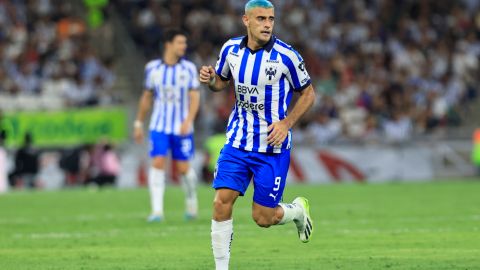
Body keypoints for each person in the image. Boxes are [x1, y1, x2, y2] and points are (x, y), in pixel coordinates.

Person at [199, 1, 316, 269]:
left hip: (271, 148)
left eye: (271, 19)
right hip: (238, 141)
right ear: (246, 21)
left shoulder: (287, 56)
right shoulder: (230, 49)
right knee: (220, 203)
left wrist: (286, 123)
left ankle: (297, 211)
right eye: (261, 18)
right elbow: (220, 82)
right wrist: (210, 80)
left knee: (263, 218)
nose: (267, 24)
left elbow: (309, 93)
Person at [134, 29, 200, 222]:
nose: (183, 47)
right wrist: (138, 123)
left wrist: (188, 121)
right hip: (159, 125)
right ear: (168, 44)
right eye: (180, 43)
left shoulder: (188, 68)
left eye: (184, 43)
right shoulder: (152, 68)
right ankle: (156, 211)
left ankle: (191, 200)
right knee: (157, 162)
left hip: (182, 127)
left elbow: (195, 97)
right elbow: (146, 97)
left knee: (183, 168)